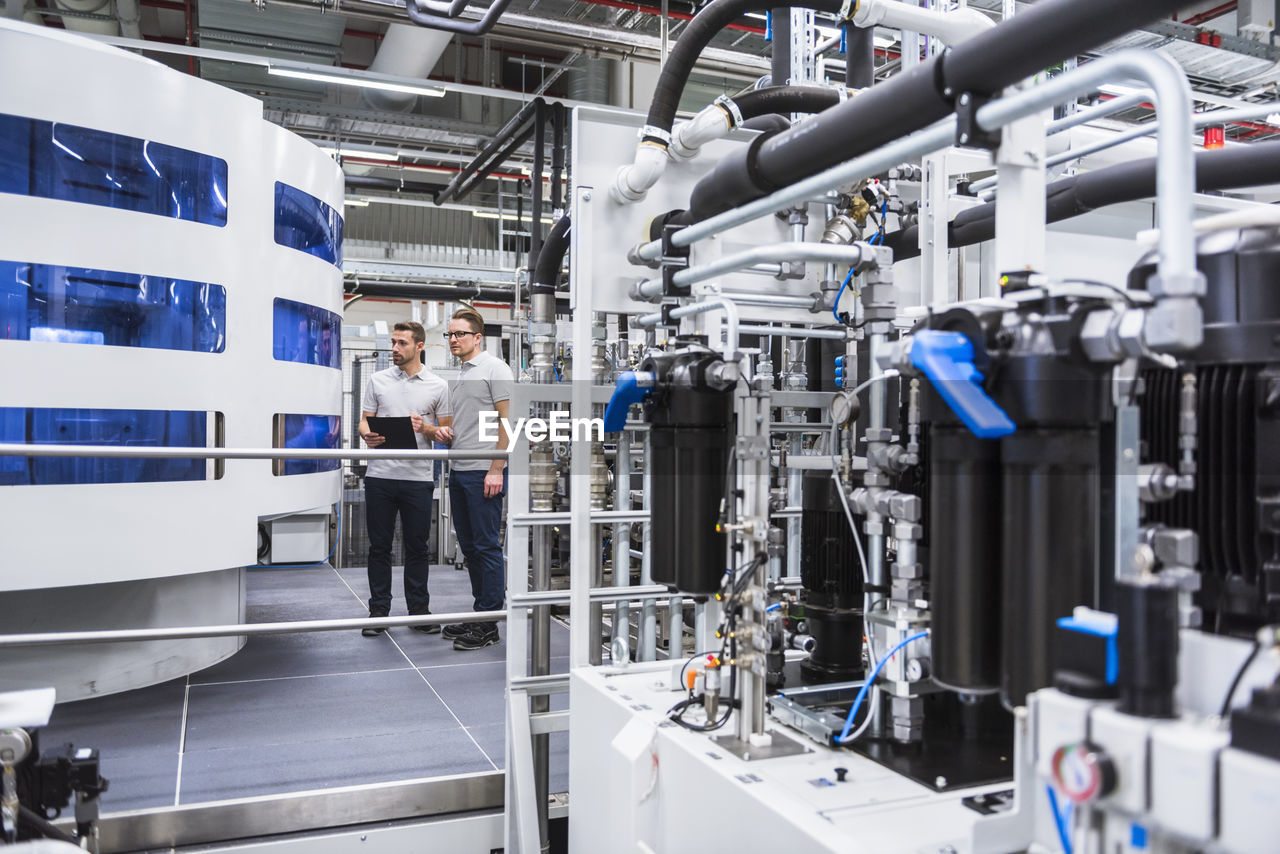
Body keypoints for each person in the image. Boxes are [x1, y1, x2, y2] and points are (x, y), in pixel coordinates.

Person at [358, 321, 453, 637]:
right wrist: (367, 435)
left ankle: (419, 611)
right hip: (380, 476)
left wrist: (424, 428)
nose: (395, 349)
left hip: (417, 479)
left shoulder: (438, 386)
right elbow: (364, 422)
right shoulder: (377, 380)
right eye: (394, 343)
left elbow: (446, 434)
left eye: (401, 343)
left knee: (417, 547)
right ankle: (378, 612)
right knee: (379, 547)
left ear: (419, 346)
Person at [441, 307, 513, 650]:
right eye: (450, 335)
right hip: (460, 469)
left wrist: (496, 468)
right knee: (469, 546)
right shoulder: (463, 373)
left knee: (485, 546)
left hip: (484, 472)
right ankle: (480, 611)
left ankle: (489, 623)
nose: (454, 340)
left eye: (460, 334)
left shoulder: (495, 368)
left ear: (477, 337)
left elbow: (508, 422)